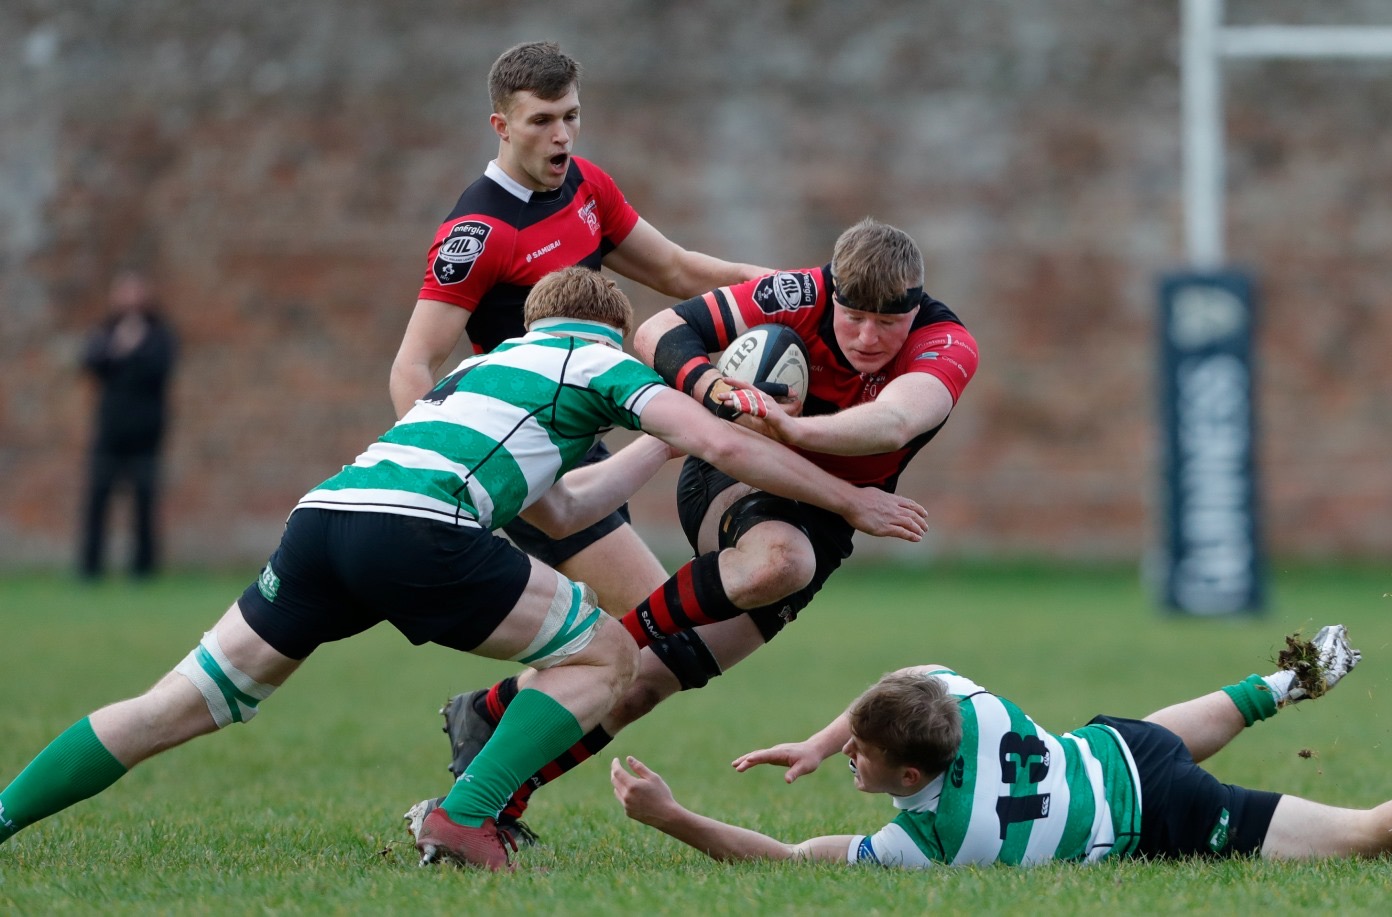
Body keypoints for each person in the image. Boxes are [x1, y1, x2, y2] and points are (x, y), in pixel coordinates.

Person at [0, 267, 928, 872]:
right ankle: (466, 815)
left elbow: (561, 510)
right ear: (611, 330)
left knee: (174, 704)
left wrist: (653, 446)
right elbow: (716, 439)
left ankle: (4, 814)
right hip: (417, 532)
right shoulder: (598, 359)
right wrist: (848, 501)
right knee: (607, 654)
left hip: (323, 521)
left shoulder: (483, 374)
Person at [411, 216, 980, 843]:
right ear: (833, 292)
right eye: (854, 317)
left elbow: (895, 421)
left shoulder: (945, 341)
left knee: (645, 683)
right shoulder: (799, 292)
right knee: (779, 563)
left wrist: (792, 428)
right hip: (736, 473)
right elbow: (658, 330)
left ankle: (491, 774)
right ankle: (604, 643)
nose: (868, 337)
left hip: (823, 520)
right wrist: (711, 388)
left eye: (887, 323)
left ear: (914, 308)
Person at [611, 625, 1392, 866]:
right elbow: (907, 674)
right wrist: (824, 736)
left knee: (1366, 835)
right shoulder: (968, 701)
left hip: (1157, 810)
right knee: (1152, 733)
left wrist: (670, 815)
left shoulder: (932, 842)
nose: (847, 759)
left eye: (856, 754)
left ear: (911, 775)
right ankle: (1287, 679)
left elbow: (785, 859)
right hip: (1115, 745)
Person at [388, 40, 770, 626]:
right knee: (657, 623)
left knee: (617, 637)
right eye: (541, 121)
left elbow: (676, 269)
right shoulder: (479, 231)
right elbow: (412, 365)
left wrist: (787, 288)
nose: (562, 136)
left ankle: (510, 693)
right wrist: (456, 473)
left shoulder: (585, 185)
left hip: (581, 443)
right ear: (501, 126)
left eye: (570, 116)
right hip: (523, 451)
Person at [78, 270, 179, 580]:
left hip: (146, 432)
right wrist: (119, 347)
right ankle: (90, 568)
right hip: (110, 430)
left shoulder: (159, 334)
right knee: (98, 498)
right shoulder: (106, 332)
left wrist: (137, 348)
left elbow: (162, 368)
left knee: (144, 501)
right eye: (124, 291)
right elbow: (89, 363)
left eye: (136, 291)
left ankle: (143, 568)